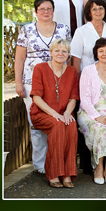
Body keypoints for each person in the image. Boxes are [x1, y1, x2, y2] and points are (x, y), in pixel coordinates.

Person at [15, 0, 71, 175]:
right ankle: (40, 164)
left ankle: (56, 161)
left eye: (49, 9)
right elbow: (20, 58)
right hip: (32, 82)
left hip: (57, 82)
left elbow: (68, 57)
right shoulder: (27, 30)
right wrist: (18, 82)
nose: (46, 12)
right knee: (37, 122)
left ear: (53, 11)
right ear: (35, 12)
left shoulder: (63, 29)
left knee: (57, 120)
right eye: (42, 9)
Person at [30, 39, 79, 188]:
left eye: (64, 51)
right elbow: (36, 98)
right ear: (51, 53)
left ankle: (67, 174)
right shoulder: (40, 68)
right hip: (41, 113)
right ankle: (54, 174)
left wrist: (67, 113)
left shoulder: (72, 71)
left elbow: (73, 98)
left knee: (71, 125)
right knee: (58, 126)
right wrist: (54, 114)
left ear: (68, 54)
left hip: (63, 113)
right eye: (57, 50)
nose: (60, 53)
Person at [77, 38, 106, 185]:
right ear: (96, 53)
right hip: (89, 112)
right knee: (99, 128)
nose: (104, 54)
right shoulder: (88, 71)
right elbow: (84, 99)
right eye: (101, 51)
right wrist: (97, 116)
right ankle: (98, 168)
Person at [71, 0, 106, 74]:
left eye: (100, 8)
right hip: (87, 75)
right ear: (89, 13)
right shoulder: (80, 31)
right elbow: (76, 60)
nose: (98, 11)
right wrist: (78, 78)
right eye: (94, 9)